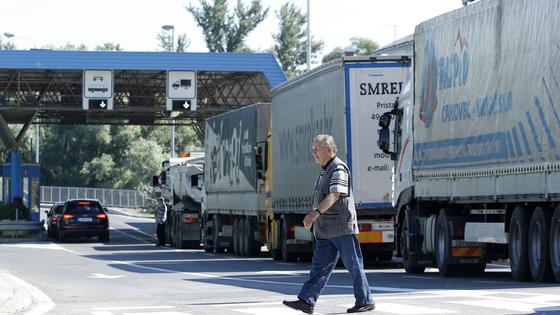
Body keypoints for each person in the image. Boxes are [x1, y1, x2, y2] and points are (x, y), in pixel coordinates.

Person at [282, 134, 375, 314]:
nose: (313, 152)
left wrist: (315, 213)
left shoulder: (338, 168)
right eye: (313, 149)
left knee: (354, 265)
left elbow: (334, 195)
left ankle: (365, 300)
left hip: (341, 228)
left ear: (330, 149)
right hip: (326, 231)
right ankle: (307, 300)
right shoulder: (325, 169)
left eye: (317, 149)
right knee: (319, 267)